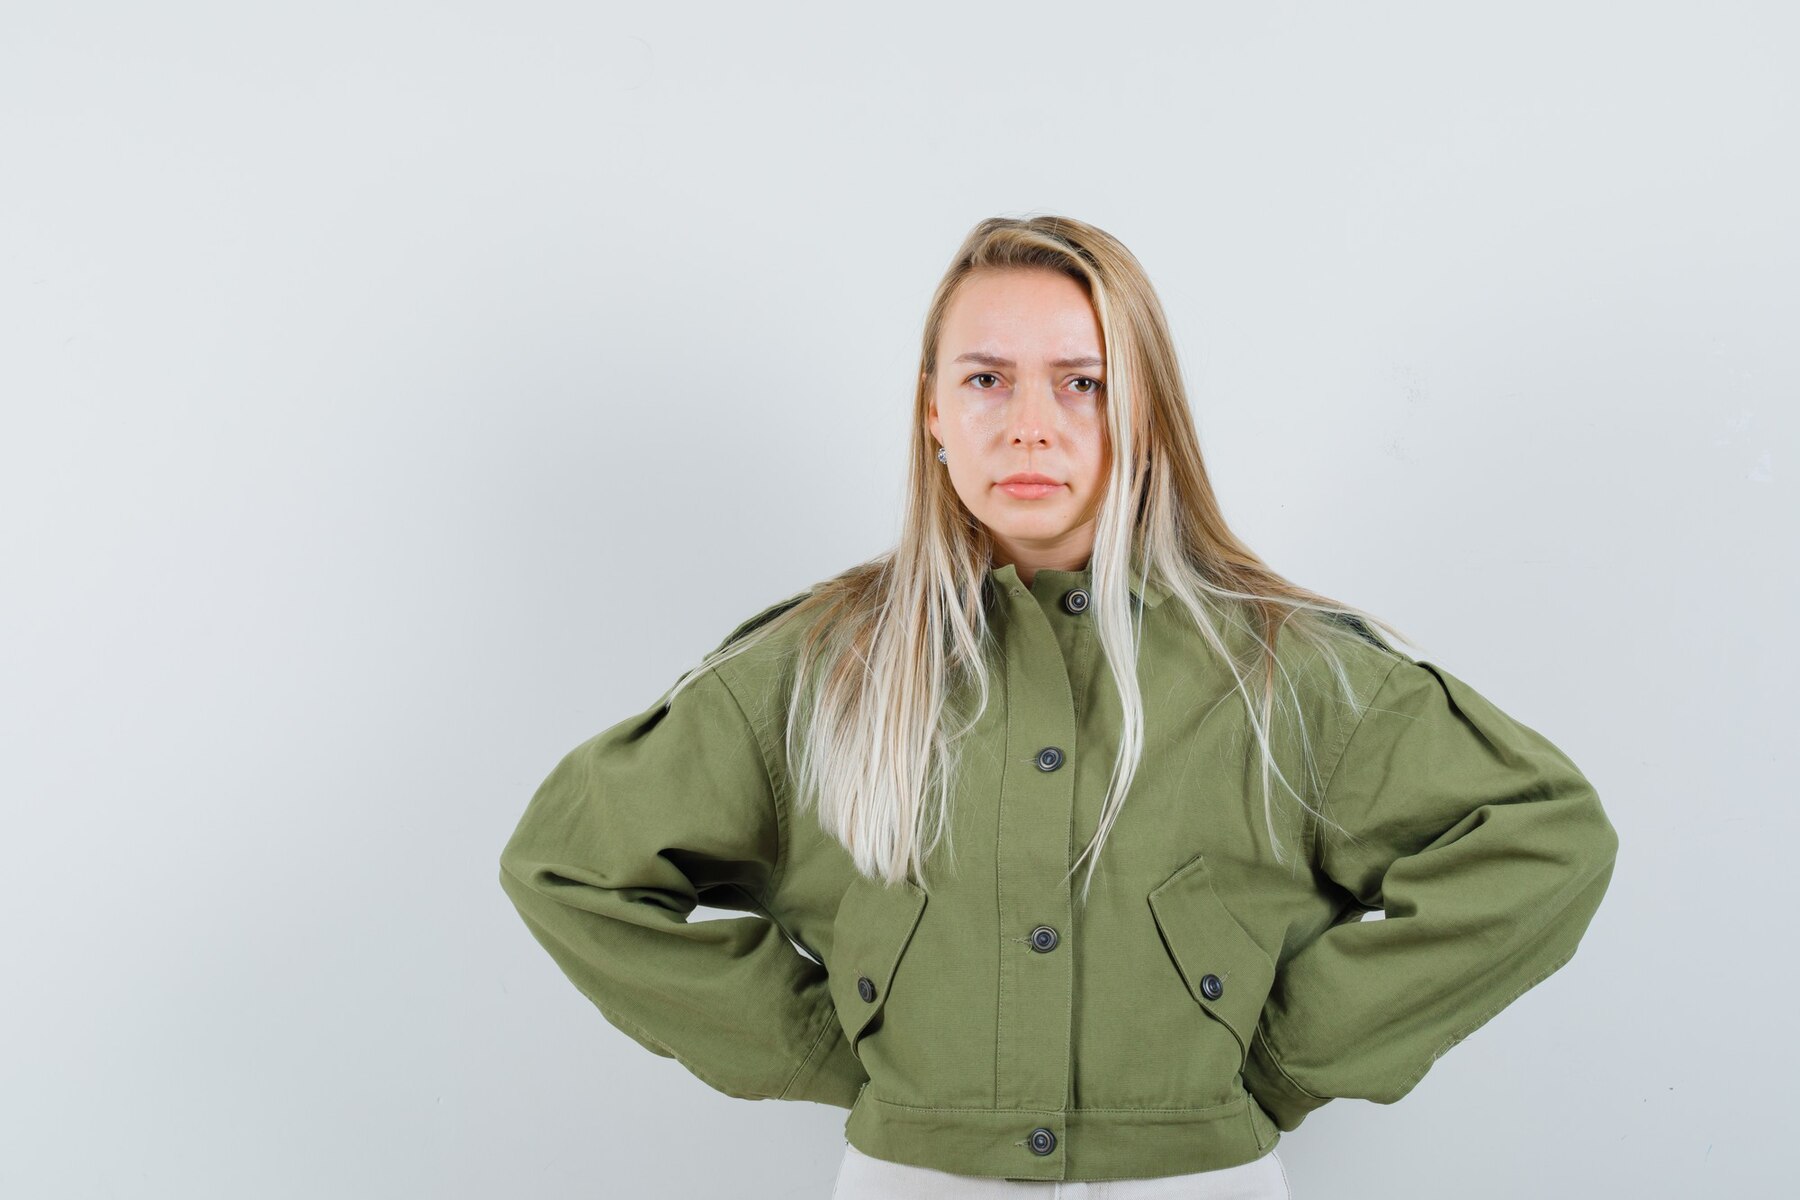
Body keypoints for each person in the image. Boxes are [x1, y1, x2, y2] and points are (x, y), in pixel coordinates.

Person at [497, 215, 1620, 1198]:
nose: (1030, 424)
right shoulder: (817, 667)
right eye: (986, 379)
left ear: (1145, 412)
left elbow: (1542, 840)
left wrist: (1280, 1060)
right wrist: (838, 1046)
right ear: (933, 411)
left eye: (1081, 382)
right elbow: (570, 867)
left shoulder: (1287, 668)